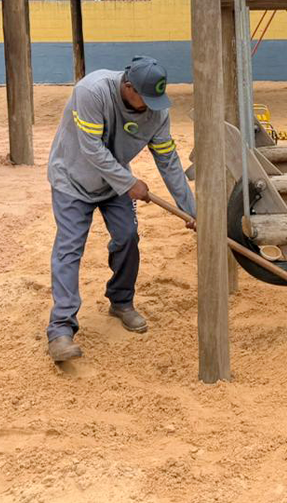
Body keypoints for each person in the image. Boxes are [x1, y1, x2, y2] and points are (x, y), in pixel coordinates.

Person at [45, 56, 196, 362]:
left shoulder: (157, 111)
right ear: (127, 85)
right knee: (69, 248)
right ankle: (61, 329)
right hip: (72, 179)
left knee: (128, 237)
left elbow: (168, 161)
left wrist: (192, 209)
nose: (150, 107)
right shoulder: (92, 91)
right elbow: (91, 149)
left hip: (114, 185)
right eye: (144, 97)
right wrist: (129, 182)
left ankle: (121, 300)